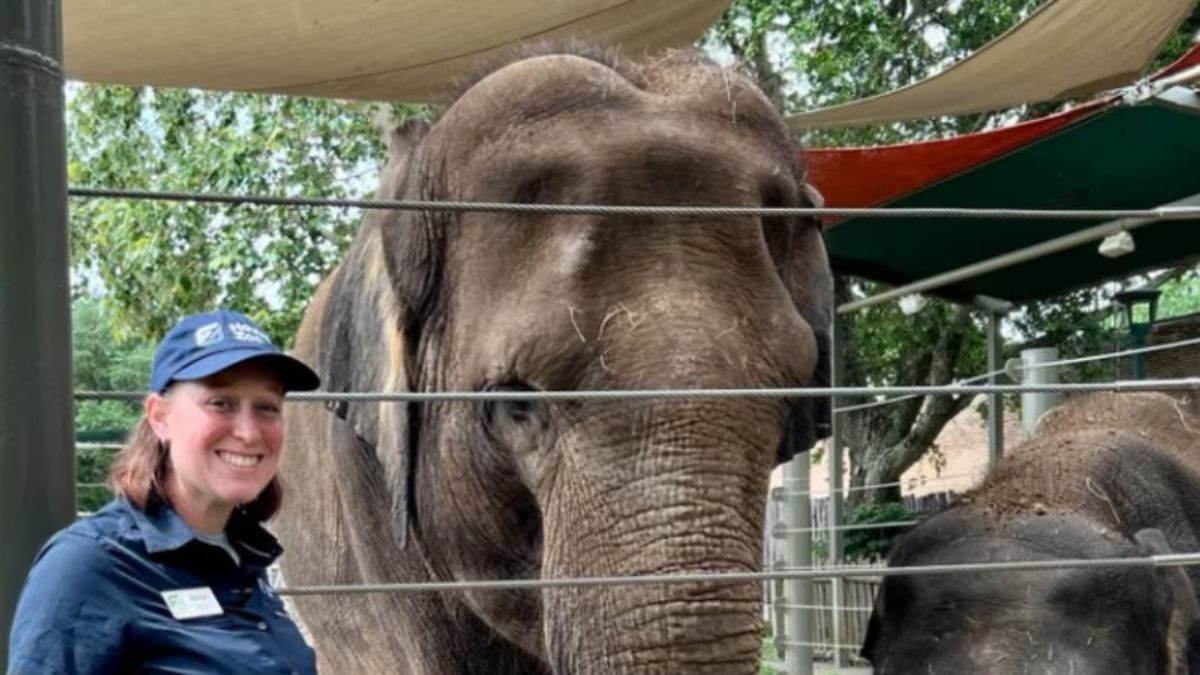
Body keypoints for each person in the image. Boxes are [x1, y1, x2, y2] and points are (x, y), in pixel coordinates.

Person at [8, 309, 322, 674]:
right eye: (221, 403)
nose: (250, 432)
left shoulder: (241, 558)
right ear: (159, 416)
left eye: (267, 407)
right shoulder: (90, 566)